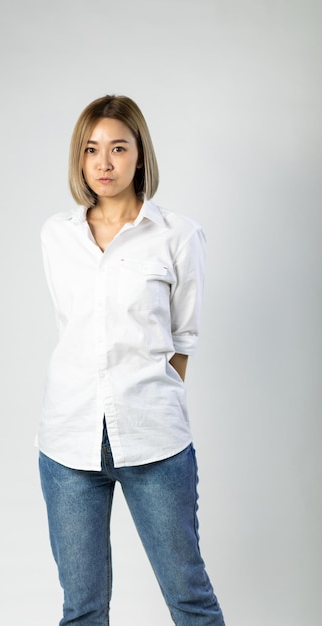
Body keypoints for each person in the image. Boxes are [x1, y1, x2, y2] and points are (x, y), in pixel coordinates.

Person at [38, 94, 225, 625]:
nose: (104, 162)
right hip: (67, 442)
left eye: (118, 148)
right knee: (82, 610)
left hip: (154, 442)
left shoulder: (178, 236)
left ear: (140, 155)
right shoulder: (57, 236)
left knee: (189, 600)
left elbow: (183, 338)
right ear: (80, 159)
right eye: (91, 149)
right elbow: (71, 329)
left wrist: (148, 397)